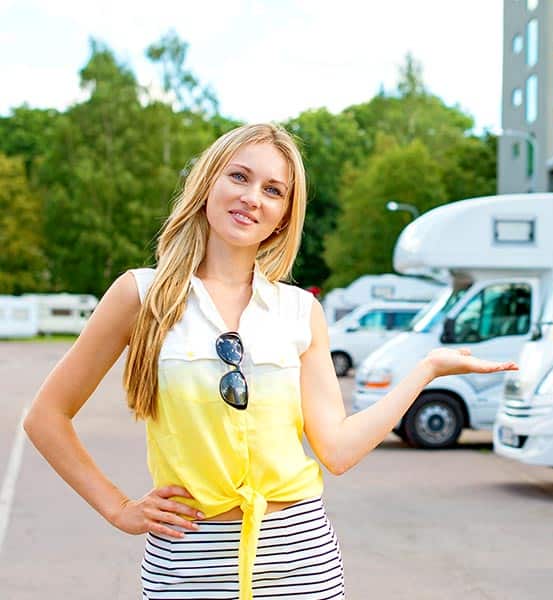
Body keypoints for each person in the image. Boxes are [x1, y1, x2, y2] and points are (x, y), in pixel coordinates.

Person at [23, 123, 518, 600]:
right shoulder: (142, 294)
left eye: (273, 190)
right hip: (188, 563)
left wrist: (425, 370)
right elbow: (46, 417)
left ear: (284, 215)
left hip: (300, 561)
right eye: (239, 176)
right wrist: (118, 508)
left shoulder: (301, 310)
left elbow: (338, 451)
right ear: (208, 182)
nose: (252, 198)